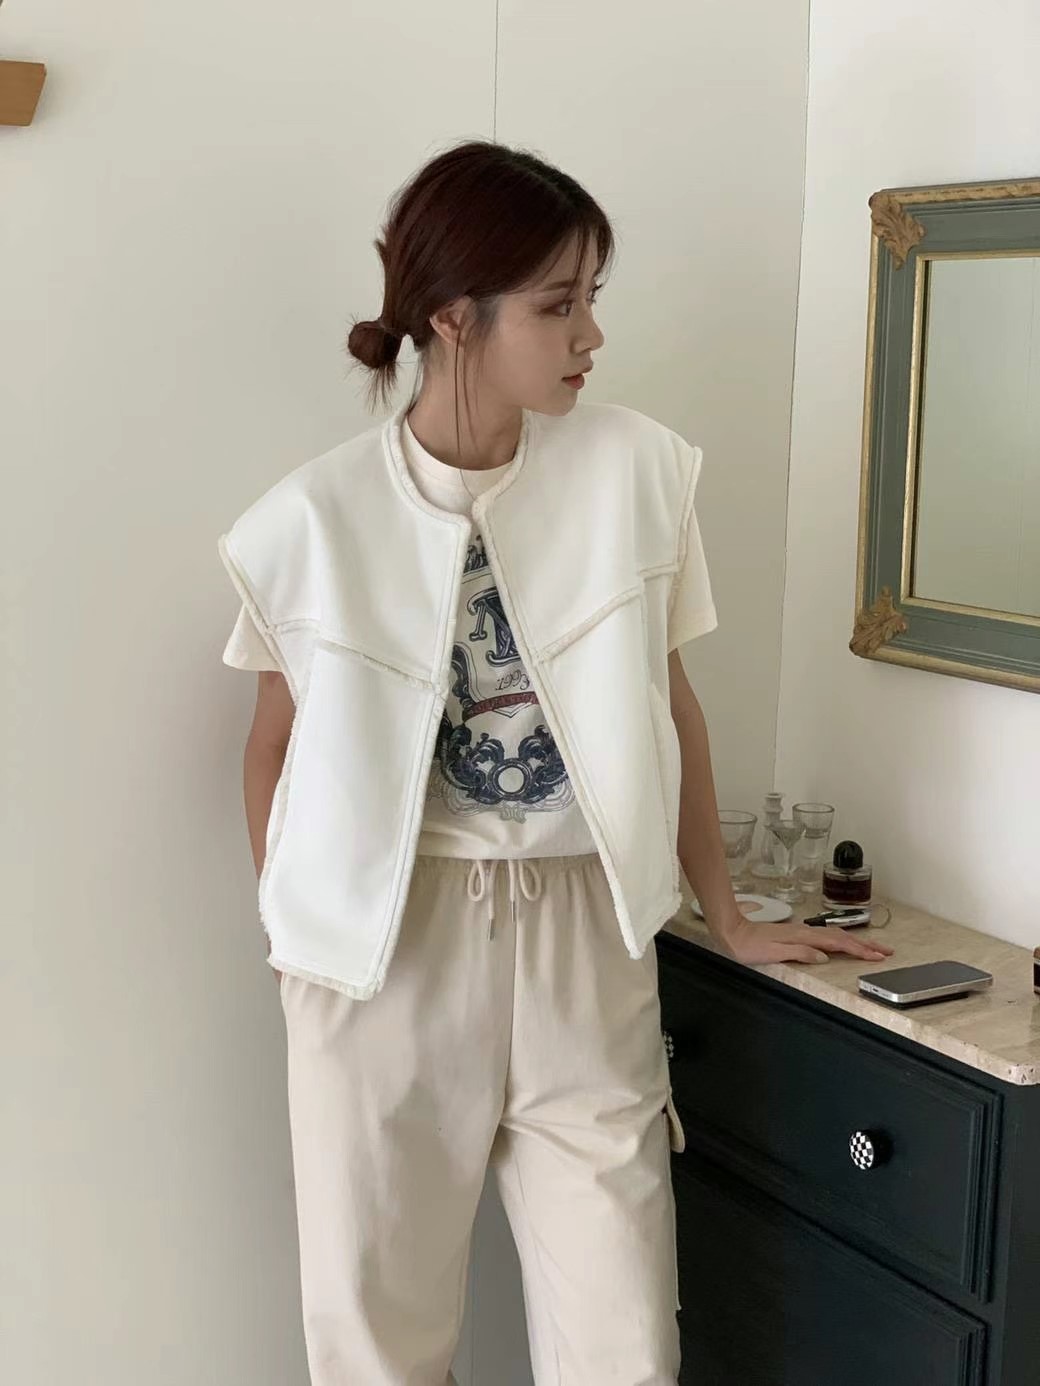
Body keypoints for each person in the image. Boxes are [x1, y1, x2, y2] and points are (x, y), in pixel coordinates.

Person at [218, 138, 894, 1386]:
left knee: (622, 1342)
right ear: (452, 317)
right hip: (386, 950)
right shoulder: (310, 521)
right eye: (557, 303)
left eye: (592, 297)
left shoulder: (637, 473)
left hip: (587, 932)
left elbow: (670, 706)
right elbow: (273, 748)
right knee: (376, 1343)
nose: (590, 334)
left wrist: (726, 916)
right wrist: (292, 929)